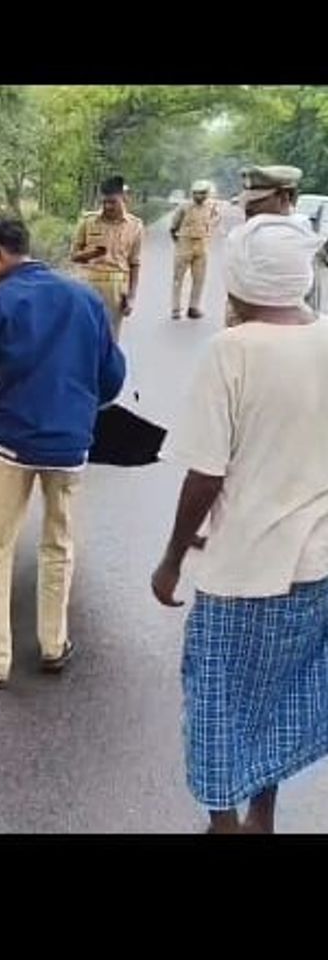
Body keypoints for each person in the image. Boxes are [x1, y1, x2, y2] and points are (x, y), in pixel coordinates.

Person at [152, 213, 328, 834]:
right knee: (278, 696)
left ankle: (224, 824)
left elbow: (205, 473)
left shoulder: (233, 350)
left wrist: (173, 556)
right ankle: (263, 816)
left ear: (241, 286)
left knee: (219, 699)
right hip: (316, 569)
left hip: (244, 572)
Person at [0, 217, 126, 688]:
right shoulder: (86, 299)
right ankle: (53, 644)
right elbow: (112, 379)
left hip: (11, 444)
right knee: (59, 544)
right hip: (70, 446)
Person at [226, 165, 303, 327]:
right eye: (247, 199)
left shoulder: (299, 239)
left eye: (258, 200)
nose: (248, 206)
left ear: (284, 197)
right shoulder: (245, 234)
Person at [70, 176, 143, 339]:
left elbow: (135, 263)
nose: (107, 206)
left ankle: (107, 365)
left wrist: (131, 297)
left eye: (112, 202)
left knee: (110, 337)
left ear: (124, 199)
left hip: (116, 287)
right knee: (84, 333)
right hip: (88, 282)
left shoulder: (135, 226)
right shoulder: (88, 221)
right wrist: (91, 254)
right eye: (104, 202)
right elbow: (73, 256)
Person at [170, 180, 220, 320]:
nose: (199, 196)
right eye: (196, 193)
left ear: (207, 194)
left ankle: (193, 307)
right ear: (192, 194)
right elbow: (174, 226)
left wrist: (209, 229)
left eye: (202, 193)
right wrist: (178, 241)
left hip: (202, 245)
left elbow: (216, 218)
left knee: (199, 279)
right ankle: (175, 308)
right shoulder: (184, 207)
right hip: (185, 244)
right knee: (178, 278)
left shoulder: (211, 206)